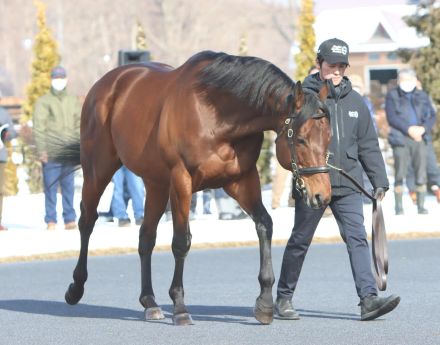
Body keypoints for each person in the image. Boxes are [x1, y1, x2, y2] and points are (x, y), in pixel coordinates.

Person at [276, 38, 400, 322]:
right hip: (315, 181)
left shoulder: (356, 101)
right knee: (300, 240)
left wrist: (378, 180)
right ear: (319, 64)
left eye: (342, 66)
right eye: (332, 65)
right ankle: (284, 297)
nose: (337, 70)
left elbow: (368, 144)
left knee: (357, 237)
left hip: (348, 182)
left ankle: (368, 299)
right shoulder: (303, 99)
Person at [33, 66, 81, 230]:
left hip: (68, 151)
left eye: (61, 77)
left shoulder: (73, 100)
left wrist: (77, 147)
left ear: (66, 79)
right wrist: (41, 150)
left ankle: (69, 218)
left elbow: (79, 125)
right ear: (52, 80)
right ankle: (51, 219)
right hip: (52, 152)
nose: (58, 80)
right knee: (50, 187)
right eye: (56, 77)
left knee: (69, 187)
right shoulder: (44, 101)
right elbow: (39, 127)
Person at [385, 68, 436, 215]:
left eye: (409, 79)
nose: (406, 83)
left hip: (420, 138)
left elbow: (431, 115)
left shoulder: (422, 95)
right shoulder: (392, 95)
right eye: (403, 80)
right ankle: (399, 207)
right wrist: (409, 129)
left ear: (415, 80)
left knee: (421, 172)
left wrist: (423, 129)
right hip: (400, 139)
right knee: (400, 173)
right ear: (399, 81)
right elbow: (392, 117)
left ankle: (421, 205)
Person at [0, 93, 17, 230]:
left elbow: (12, 131)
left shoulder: (4, 114)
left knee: (0, 190)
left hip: (0, 157)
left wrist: (7, 134)